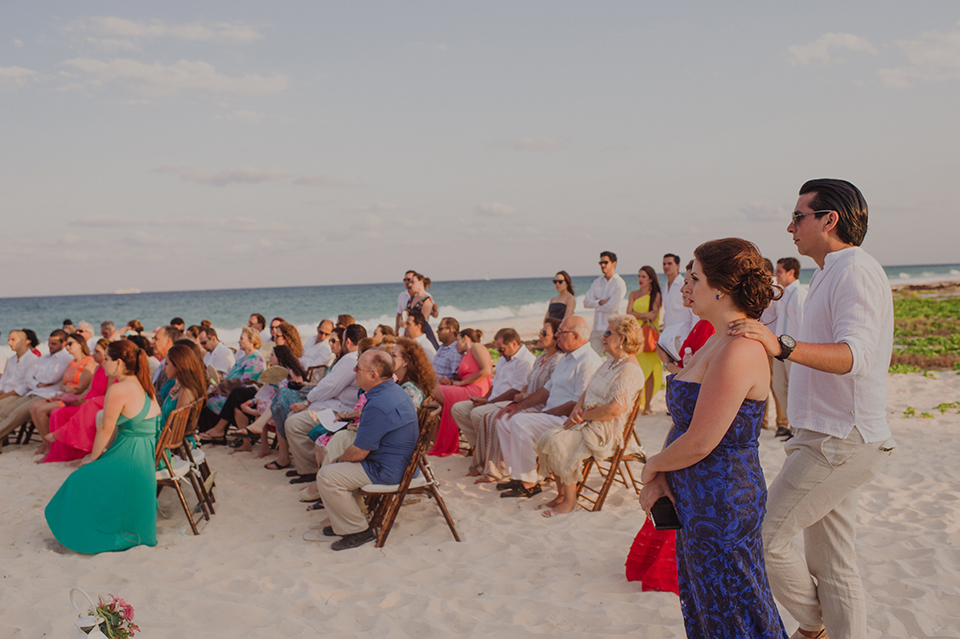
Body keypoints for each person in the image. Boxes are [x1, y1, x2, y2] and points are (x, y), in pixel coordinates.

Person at [729, 179, 896, 639]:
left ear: (830, 220)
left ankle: (813, 623)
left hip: (839, 439)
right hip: (828, 436)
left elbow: (854, 355)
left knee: (763, 540)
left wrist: (780, 345)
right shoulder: (829, 272)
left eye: (798, 217)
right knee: (833, 564)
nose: (790, 227)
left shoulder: (854, 269)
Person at [639, 237, 785, 639]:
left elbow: (703, 439)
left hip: (721, 502)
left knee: (738, 610)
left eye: (694, 277)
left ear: (721, 288)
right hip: (697, 499)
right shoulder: (715, 339)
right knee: (708, 608)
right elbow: (688, 427)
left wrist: (652, 467)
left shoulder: (739, 350)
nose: (685, 286)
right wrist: (666, 474)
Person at [45, 340, 163, 554]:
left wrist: (94, 456)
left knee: (79, 478)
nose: (103, 363)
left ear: (118, 363)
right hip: (142, 458)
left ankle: (82, 531)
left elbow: (106, 428)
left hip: (130, 458)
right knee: (89, 472)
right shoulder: (143, 384)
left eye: (106, 359)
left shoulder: (119, 389)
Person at [536, 315, 645, 516]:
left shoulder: (629, 369)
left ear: (622, 338)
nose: (602, 337)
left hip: (605, 428)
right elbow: (588, 390)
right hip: (588, 418)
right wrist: (578, 408)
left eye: (607, 333)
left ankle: (570, 501)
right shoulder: (610, 363)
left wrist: (584, 416)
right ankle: (561, 494)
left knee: (560, 442)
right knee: (549, 436)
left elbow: (615, 409)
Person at [315, 349, 419, 550]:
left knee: (327, 476)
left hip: (389, 469)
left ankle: (358, 530)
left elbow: (359, 453)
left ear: (373, 376)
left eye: (358, 368)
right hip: (399, 461)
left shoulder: (378, 403)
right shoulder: (392, 390)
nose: (354, 370)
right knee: (341, 444)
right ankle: (344, 521)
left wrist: (337, 461)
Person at [493, 316, 602, 498]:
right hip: (552, 414)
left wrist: (546, 413)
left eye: (561, 332)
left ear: (575, 336)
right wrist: (518, 406)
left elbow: (578, 405)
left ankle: (529, 483)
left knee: (520, 423)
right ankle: (518, 475)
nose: (557, 335)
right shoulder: (567, 358)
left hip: (569, 421)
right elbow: (546, 390)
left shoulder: (588, 361)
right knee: (505, 418)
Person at [469, 318, 561, 482]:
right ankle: (484, 465)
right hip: (528, 402)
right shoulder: (540, 358)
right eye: (540, 331)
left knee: (495, 417)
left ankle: (497, 470)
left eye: (544, 333)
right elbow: (529, 383)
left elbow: (549, 391)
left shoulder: (557, 360)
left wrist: (523, 398)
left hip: (541, 406)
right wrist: (523, 395)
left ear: (556, 338)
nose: (539, 335)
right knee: (489, 417)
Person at [282, 324, 366, 479]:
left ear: (347, 341)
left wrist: (308, 401)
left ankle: (310, 469)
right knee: (292, 417)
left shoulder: (350, 359)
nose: (331, 343)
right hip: (333, 405)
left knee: (293, 423)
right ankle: (306, 466)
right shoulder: (348, 359)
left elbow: (330, 385)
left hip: (341, 410)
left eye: (336, 340)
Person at [451, 327, 535, 451]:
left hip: (510, 403)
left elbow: (515, 392)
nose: (499, 353)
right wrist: (484, 398)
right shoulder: (503, 359)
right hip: (494, 401)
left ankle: (488, 450)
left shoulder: (525, 361)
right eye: (497, 349)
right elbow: (494, 384)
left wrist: (490, 401)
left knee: (477, 414)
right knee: (458, 409)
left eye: (501, 349)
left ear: (514, 344)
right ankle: (479, 448)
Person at [42, 339, 112, 463]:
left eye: (97, 352)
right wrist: (78, 399)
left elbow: (108, 395)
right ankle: (58, 453)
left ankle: (74, 449)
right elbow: (90, 389)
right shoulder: (97, 369)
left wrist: (85, 402)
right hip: (88, 401)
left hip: (97, 404)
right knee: (56, 412)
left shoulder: (110, 372)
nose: (93, 354)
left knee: (66, 412)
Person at [0, 330, 73, 448]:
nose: (50, 346)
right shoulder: (44, 358)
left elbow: (51, 378)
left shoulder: (65, 358)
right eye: (49, 343)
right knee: (4, 412)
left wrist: (36, 379)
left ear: (63, 343)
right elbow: (29, 377)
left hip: (46, 395)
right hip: (34, 391)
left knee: (15, 415)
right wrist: (38, 383)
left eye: (54, 343)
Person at [29, 332, 98, 456]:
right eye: (67, 344)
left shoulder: (88, 362)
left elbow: (80, 387)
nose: (68, 347)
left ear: (80, 344)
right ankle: (45, 443)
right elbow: (63, 385)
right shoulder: (72, 362)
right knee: (33, 407)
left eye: (71, 344)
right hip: (65, 394)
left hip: (75, 398)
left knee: (40, 410)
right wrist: (66, 390)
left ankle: (49, 445)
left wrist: (67, 390)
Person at [429, 328, 493, 456]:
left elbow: (486, 371)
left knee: (432, 388)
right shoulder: (466, 354)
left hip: (476, 391)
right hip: (466, 388)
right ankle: (439, 444)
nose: (456, 344)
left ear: (465, 339)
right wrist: (451, 382)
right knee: (433, 403)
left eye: (458, 340)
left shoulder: (476, 347)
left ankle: (445, 443)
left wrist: (459, 383)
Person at [197, 327, 267, 441]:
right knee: (207, 398)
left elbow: (245, 381)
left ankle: (218, 431)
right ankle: (208, 432)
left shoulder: (256, 358)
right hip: (234, 391)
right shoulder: (242, 358)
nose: (239, 341)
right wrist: (219, 387)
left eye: (241, 338)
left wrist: (221, 388)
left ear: (251, 341)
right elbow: (231, 378)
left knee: (218, 399)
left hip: (249, 393)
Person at [771, 256, 807, 439]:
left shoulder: (799, 293)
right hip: (780, 350)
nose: (776, 275)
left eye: (779, 271)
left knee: (794, 390)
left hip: (793, 351)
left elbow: (803, 325)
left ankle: (798, 428)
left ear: (791, 272)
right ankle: (794, 427)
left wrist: (799, 351)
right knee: (779, 387)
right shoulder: (784, 293)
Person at [627, 265, 664, 415]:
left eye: (643, 276)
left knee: (649, 373)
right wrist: (643, 315)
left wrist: (637, 314)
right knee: (636, 371)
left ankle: (647, 405)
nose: (640, 279)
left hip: (649, 337)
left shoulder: (656, 295)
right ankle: (634, 404)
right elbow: (628, 313)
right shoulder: (633, 294)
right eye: (639, 276)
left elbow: (653, 316)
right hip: (636, 336)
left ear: (650, 279)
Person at [583, 251, 627, 353]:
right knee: (591, 359)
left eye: (605, 262)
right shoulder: (597, 281)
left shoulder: (619, 283)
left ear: (614, 263)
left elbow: (612, 308)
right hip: (596, 328)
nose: (602, 265)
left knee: (612, 360)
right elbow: (585, 302)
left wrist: (595, 305)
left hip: (611, 330)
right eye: (601, 263)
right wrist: (599, 302)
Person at [157, 343, 207, 429]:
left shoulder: (186, 392)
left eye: (166, 364)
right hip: (166, 436)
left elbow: (177, 428)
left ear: (178, 366)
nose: (164, 368)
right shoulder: (178, 386)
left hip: (170, 440)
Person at [658, 253, 697, 362]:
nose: (666, 266)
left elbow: (691, 313)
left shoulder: (683, 284)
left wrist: (686, 338)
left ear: (678, 266)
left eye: (670, 263)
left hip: (681, 334)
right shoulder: (665, 286)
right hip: (669, 334)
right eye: (664, 264)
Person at [405, 272, 439, 349]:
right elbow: (405, 313)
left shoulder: (426, 299)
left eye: (412, 282)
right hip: (409, 329)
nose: (410, 285)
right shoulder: (411, 299)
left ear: (420, 282)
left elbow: (423, 320)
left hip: (421, 331)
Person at [151, 325, 183, 390]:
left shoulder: (172, 367)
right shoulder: (163, 364)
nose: (153, 342)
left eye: (156, 339)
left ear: (168, 341)